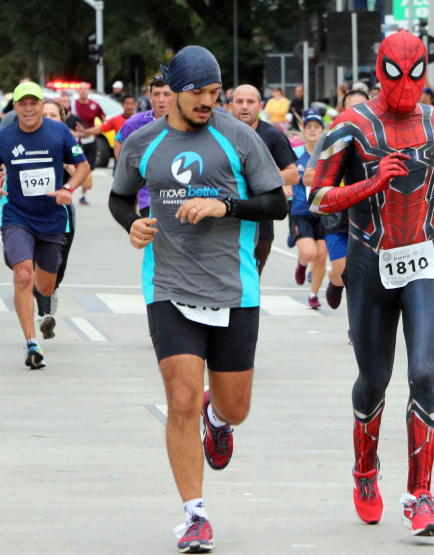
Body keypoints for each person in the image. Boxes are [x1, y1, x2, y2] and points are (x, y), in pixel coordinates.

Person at [108, 45, 288, 553]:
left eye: (215, 93)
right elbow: (119, 196)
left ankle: (219, 420)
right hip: (167, 283)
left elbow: (276, 202)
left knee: (235, 406)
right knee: (181, 397)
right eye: (199, 94)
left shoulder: (240, 138)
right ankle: (194, 515)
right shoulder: (142, 143)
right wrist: (133, 224)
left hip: (234, 285)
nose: (210, 102)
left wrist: (223, 205)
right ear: (173, 94)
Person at [309, 30, 434, 537]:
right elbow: (316, 198)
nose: (407, 84)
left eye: (416, 73)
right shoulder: (349, 125)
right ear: (380, 68)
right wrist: (372, 183)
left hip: (427, 258)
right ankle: (364, 470)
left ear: (427, 70)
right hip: (369, 261)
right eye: (397, 73)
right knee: (374, 378)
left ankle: (421, 495)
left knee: (424, 371)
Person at [0, 82, 90, 369]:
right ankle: (32, 343)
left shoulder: (60, 133)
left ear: (43, 104)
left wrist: (68, 187)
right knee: (22, 274)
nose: (28, 108)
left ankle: (44, 298)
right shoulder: (3, 137)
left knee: (45, 285)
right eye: (22, 103)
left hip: (53, 220)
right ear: (15, 107)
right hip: (18, 216)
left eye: (33, 102)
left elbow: (83, 167)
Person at [302, 89, 370, 318]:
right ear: (343, 111)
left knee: (365, 274)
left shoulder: (380, 137)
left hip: (368, 210)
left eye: (362, 107)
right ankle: (334, 280)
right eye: (351, 108)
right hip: (336, 210)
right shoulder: (330, 136)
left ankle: (357, 328)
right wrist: (332, 173)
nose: (357, 113)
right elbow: (307, 177)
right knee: (342, 270)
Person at [230, 84, 299, 276]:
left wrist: (259, 179)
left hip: (261, 224)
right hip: (224, 221)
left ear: (260, 107)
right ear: (230, 106)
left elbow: (293, 174)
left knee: (250, 282)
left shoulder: (272, 135)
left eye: (250, 102)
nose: (245, 106)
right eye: (239, 101)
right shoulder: (218, 133)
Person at [32, 100, 81, 319]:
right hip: (30, 212)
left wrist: (64, 164)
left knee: (57, 266)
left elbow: (87, 183)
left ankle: (51, 290)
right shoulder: (28, 139)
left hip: (62, 213)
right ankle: (44, 313)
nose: (50, 119)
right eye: (46, 114)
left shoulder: (67, 143)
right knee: (33, 263)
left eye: (54, 115)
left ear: (61, 119)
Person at [113, 75, 173, 218]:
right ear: (150, 96)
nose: (161, 99)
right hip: (148, 198)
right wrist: (127, 171)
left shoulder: (185, 122)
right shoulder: (136, 122)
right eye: (156, 94)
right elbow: (119, 141)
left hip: (179, 195)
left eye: (166, 94)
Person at [289, 109, 328, 308]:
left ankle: (313, 295)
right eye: (309, 127)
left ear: (322, 130)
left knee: (321, 256)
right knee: (309, 253)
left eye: (316, 127)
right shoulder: (295, 154)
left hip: (323, 212)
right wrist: (286, 187)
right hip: (300, 211)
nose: (313, 130)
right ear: (302, 130)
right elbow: (284, 174)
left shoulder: (328, 155)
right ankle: (302, 264)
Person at [71, 82, 105, 204]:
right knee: (73, 166)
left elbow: (104, 120)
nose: (83, 91)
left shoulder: (94, 106)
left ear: (89, 91)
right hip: (76, 141)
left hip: (90, 140)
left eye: (85, 89)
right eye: (81, 89)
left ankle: (82, 195)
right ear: (77, 91)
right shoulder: (73, 105)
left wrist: (95, 130)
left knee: (88, 168)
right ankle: (68, 188)